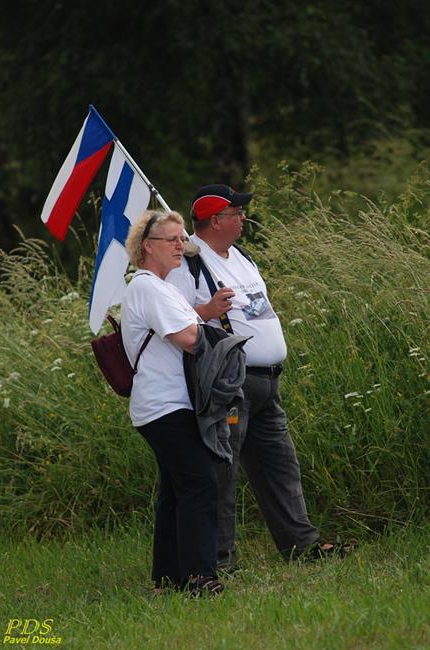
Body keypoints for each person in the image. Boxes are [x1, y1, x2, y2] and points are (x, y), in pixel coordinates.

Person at [167, 185, 349, 570]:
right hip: (230, 381)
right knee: (223, 471)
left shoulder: (242, 256)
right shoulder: (189, 264)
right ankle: (219, 561)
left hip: (268, 380)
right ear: (215, 220)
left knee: (280, 465)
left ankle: (302, 545)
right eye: (236, 212)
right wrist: (207, 310)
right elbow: (173, 321)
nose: (243, 218)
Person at [121, 208, 224, 596]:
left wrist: (204, 315)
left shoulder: (162, 288)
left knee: (176, 490)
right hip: (165, 405)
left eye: (183, 238)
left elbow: (189, 324)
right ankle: (200, 577)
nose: (182, 245)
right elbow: (188, 339)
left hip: (166, 404)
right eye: (173, 240)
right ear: (148, 247)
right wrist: (226, 344)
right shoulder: (146, 286)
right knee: (200, 484)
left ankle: (167, 579)